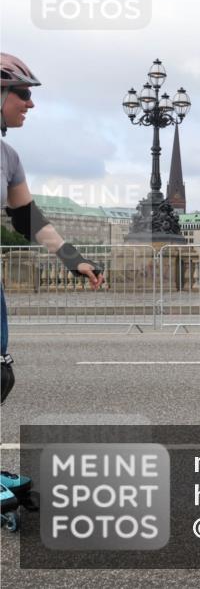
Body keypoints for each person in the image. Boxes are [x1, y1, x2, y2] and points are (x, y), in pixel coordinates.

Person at [1, 52, 105, 517]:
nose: (30, 104)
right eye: (23, 94)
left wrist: (73, 260)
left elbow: (26, 217)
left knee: (0, 375)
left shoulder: (8, 155)